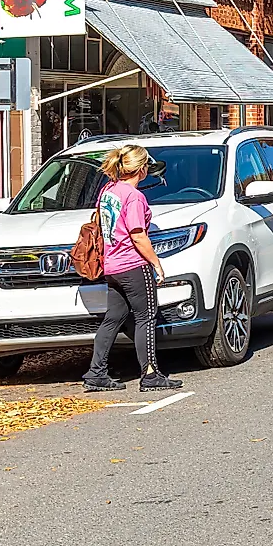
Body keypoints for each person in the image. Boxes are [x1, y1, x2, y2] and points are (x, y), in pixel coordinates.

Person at [84, 145, 179, 394]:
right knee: (146, 318)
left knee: (112, 319)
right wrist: (156, 263)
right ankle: (150, 374)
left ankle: (96, 373)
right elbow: (138, 235)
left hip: (112, 265)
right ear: (142, 168)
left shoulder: (108, 190)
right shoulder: (134, 197)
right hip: (133, 264)